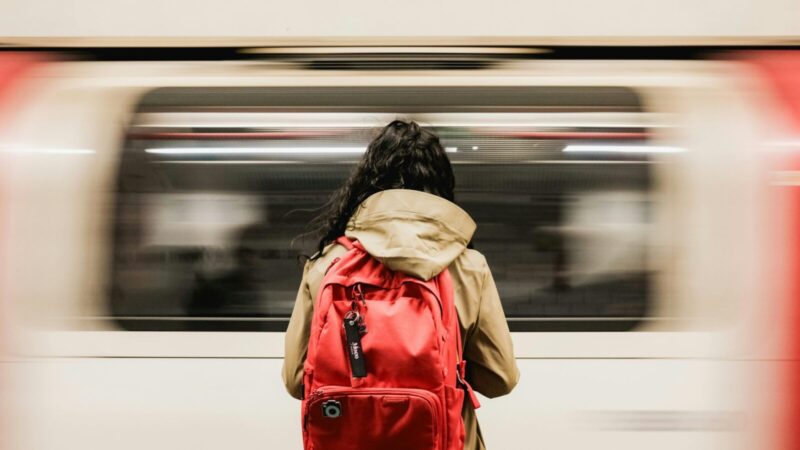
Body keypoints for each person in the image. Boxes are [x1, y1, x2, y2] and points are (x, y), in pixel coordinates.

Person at [282, 119, 519, 450]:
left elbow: (296, 382)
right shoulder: (468, 266)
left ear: (367, 183)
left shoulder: (326, 264)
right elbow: (500, 379)